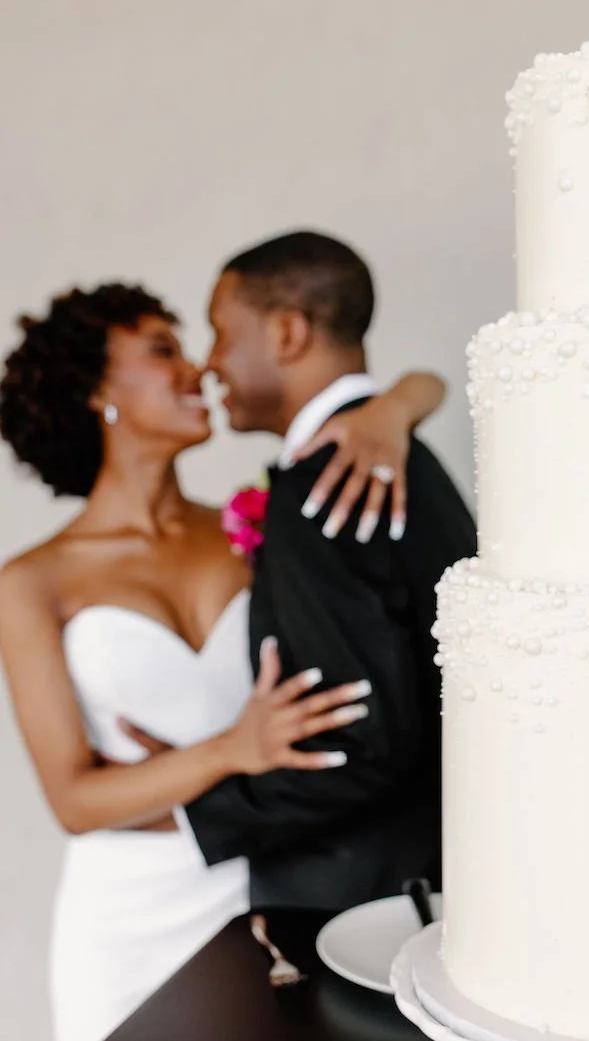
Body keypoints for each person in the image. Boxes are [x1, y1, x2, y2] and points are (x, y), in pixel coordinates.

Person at [0, 281, 446, 1041]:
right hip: (134, 899)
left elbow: (410, 393)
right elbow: (74, 799)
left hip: (271, 880)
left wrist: (398, 405)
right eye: (163, 350)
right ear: (98, 388)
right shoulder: (33, 582)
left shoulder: (258, 522)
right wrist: (233, 747)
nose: (198, 369)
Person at [131, 231, 477, 913]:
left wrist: (187, 811)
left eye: (222, 334)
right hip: (438, 868)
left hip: (360, 901)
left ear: (288, 333)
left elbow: (359, 744)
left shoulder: (325, 486)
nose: (211, 363)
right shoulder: (404, 458)